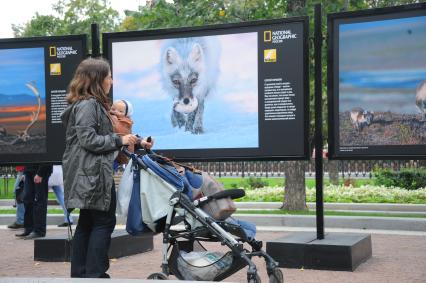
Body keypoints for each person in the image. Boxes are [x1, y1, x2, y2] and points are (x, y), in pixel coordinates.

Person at [61, 57, 152, 278]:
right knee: (103, 222)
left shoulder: (88, 104)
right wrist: (119, 141)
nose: (111, 80)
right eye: (109, 76)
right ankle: (94, 274)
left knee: (88, 221)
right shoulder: (88, 105)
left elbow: (98, 137)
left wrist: (135, 142)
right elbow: (89, 139)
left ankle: (82, 274)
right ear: (97, 79)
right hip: (92, 175)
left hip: (89, 174)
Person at [15, 164, 53, 239]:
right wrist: (25, 172)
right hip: (29, 170)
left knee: (39, 200)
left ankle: (39, 231)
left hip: (41, 169)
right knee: (27, 199)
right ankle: (29, 229)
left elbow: (47, 156)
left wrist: (40, 173)